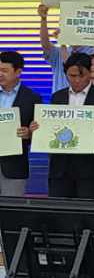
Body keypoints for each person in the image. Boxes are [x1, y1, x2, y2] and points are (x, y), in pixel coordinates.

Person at [36, 52, 94, 198]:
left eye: (81, 75)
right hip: (60, 168)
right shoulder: (57, 97)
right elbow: (50, 127)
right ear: (66, 74)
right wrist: (39, 128)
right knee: (60, 209)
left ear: (90, 73)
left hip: (91, 169)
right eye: (72, 76)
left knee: (88, 210)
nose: (77, 80)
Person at [0, 51, 41, 196]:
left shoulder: (32, 98)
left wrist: (29, 134)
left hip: (14, 166)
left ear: (18, 72)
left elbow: (40, 133)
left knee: (11, 208)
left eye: (4, 70)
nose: (0, 74)